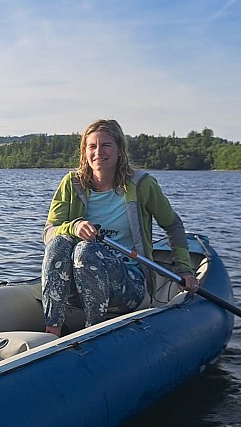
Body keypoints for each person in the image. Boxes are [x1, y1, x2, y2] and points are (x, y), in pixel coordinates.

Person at [42, 119, 198, 337]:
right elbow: (49, 232)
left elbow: (172, 225)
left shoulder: (142, 185)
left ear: (119, 150)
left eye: (106, 145)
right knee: (60, 242)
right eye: (92, 146)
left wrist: (184, 269)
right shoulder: (71, 183)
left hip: (129, 284)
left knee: (86, 250)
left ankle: (93, 332)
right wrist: (74, 226)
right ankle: (53, 329)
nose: (98, 152)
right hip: (78, 283)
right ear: (84, 151)